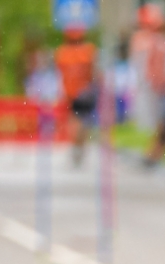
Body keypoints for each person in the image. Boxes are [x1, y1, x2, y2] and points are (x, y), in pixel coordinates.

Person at [129, 4, 165, 166]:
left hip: (163, 87)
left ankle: (157, 152)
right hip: (154, 87)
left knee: (164, 120)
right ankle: (154, 152)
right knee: (160, 120)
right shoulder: (145, 41)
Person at [55, 23, 98, 165]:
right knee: (85, 121)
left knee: (75, 120)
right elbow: (92, 72)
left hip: (72, 93)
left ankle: (77, 147)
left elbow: (60, 73)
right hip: (85, 91)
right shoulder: (88, 51)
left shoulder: (63, 53)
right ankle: (80, 146)